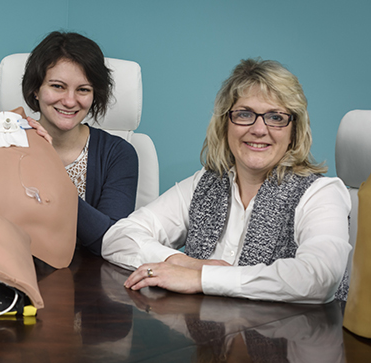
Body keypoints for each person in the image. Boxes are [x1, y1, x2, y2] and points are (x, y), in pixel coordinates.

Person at [102, 58, 351, 303]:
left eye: (276, 117)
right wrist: (182, 262)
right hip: (207, 335)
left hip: (294, 337)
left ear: (293, 131)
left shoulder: (321, 193)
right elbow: (118, 236)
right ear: (225, 123)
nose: (259, 129)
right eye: (244, 114)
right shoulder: (205, 184)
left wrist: (203, 279)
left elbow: (320, 277)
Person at [22, 31, 139, 256]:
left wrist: (50, 170)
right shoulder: (9, 143)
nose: (69, 100)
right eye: (57, 86)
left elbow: (110, 241)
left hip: (89, 280)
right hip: (15, 270)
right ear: (36, 89)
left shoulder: (119, 154)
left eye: (83, 89)